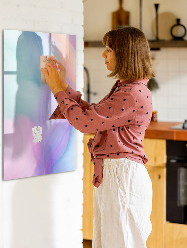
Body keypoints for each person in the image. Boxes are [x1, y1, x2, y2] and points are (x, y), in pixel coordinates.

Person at [41, 26, 154, 248]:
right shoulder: (127, 88)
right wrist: (63, 86)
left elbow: (85, 123)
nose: (103, 54)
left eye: (109, 49)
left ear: (125, 54)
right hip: (116, 176)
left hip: (122, 177)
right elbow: (93, 116)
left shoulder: (131, 93)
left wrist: (57, 90)